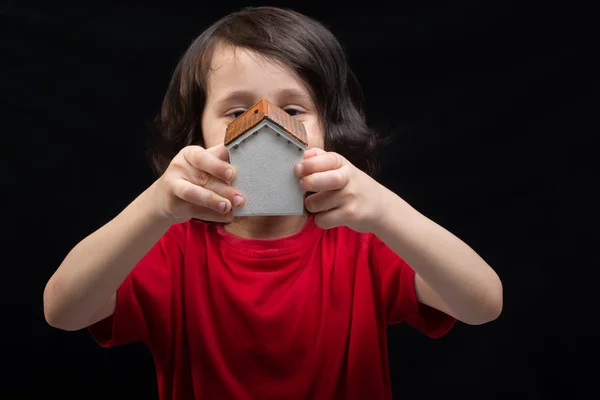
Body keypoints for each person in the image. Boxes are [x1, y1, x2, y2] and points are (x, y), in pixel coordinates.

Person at [43, 6, 503, 400]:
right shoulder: (171, 247)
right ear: (198, 134)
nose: (264, 126)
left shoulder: (362, 243)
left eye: (295, 111)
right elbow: (63, 311)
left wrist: (384, 209)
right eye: (236, 112)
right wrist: (156, 207)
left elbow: (482, 302)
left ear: (328, 130)